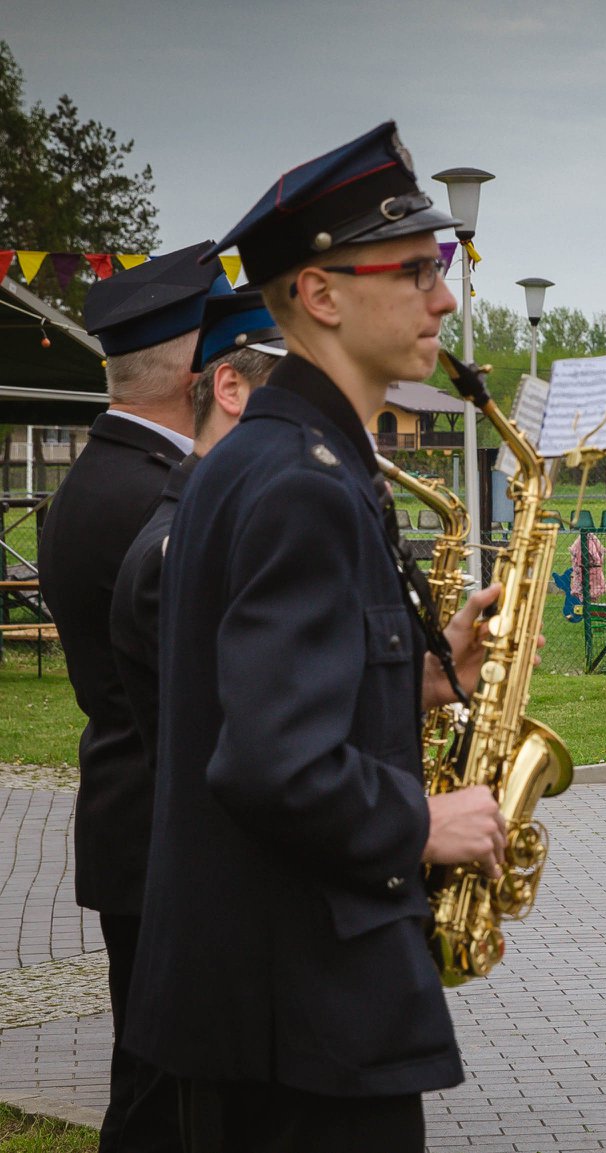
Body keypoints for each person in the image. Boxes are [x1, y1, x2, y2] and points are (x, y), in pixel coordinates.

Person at [124, 121, 507, 1152]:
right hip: (303, 1023)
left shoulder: (260, 460)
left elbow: (243, 697)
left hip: (265, 1013)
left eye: (440, 264)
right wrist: (421, 821)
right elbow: (271, 762)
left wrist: (416, 681)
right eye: (416, 269)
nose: (443, 297)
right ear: (321, 294)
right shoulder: (303, 484)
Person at [36, 241, 228, 1153]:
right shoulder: (156, 495)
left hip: (130, 808)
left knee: (158, 1085)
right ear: (197, 372)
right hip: (164, 820)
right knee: (161, 1105)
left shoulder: (95, 477)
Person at [110, 288, 283, 800]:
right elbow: (259, 748)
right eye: (302, 396)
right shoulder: (181, 550)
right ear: (230, 389)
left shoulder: (220, 526)